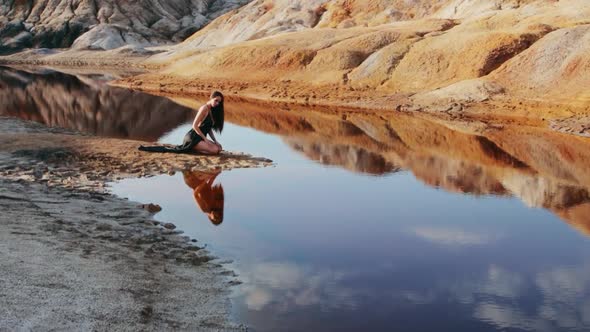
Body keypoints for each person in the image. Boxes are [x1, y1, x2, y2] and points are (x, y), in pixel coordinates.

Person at [139, 91, 225, 154]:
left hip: (201, 138)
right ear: (211, 98)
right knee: (214, 150)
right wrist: (206, 140)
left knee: (219, 148)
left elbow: (208, 128)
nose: (217, 103)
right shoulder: (204, 108)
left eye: (219, 102)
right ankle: (191, 148)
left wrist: (215, 140)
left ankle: (194, 148)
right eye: (216, 100)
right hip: (193, 137)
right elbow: (195, 126)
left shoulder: (211, 110)